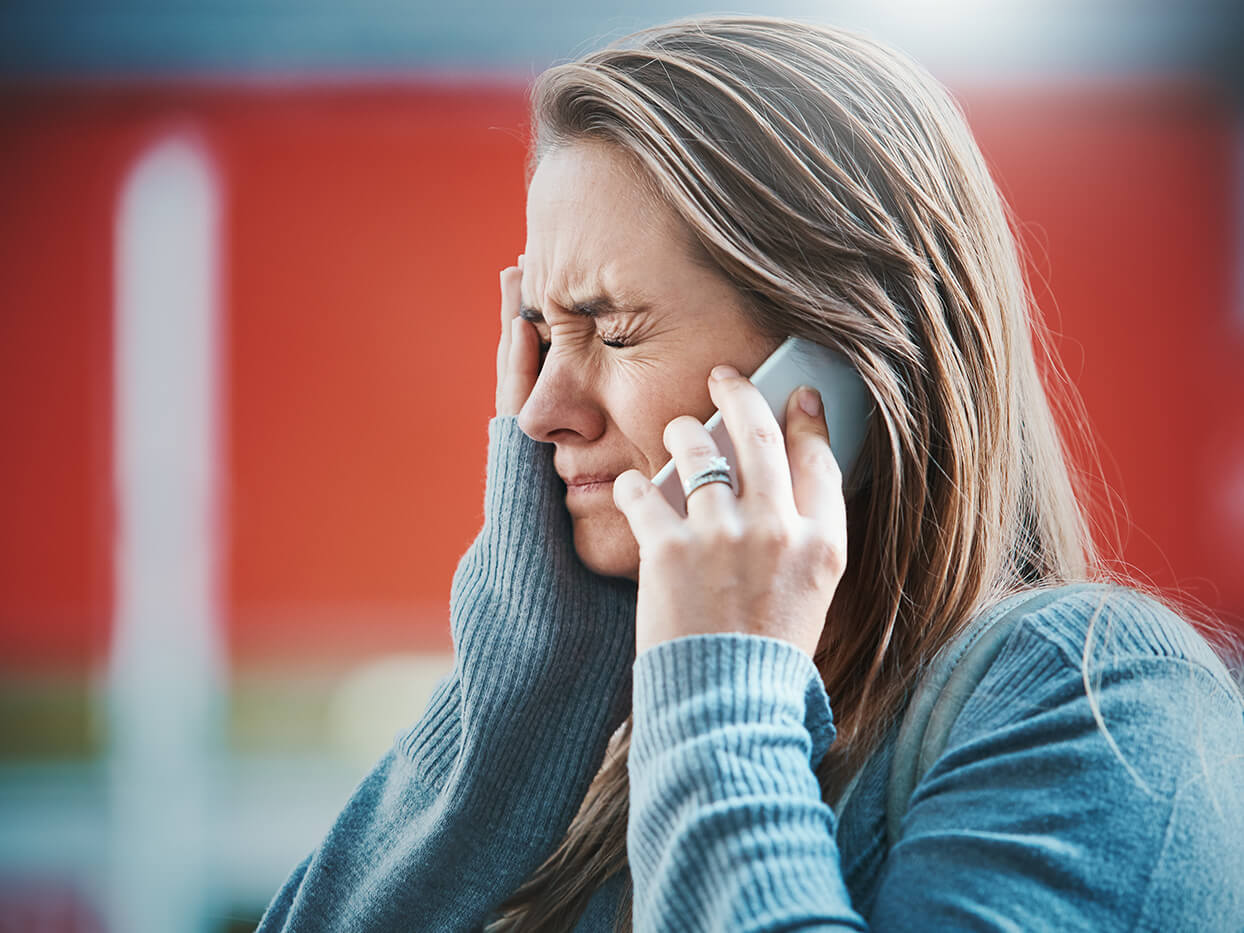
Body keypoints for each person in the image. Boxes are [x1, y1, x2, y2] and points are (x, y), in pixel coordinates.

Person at [256, 14, 1244, 932]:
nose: (541, 413)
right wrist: (512, 710)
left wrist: (722, 697)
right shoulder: (607, 781)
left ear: (833, 370)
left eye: (610, 328)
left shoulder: (1096, 702)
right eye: (539, 332)